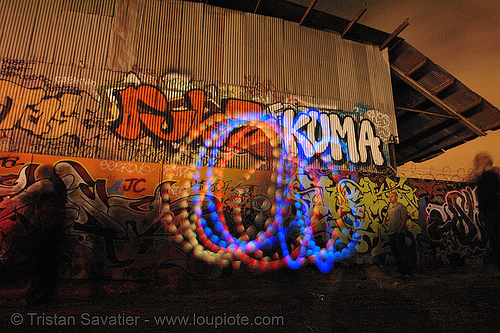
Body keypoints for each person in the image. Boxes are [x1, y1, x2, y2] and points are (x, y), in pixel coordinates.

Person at [473, 152, 500, 267]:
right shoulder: (493, 176)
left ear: (484, 161)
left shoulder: (488, 177)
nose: (475, 163)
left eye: (478, 160)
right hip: (493, 211)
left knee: (495, 237)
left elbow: (487, 197)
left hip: (492, 212)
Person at [384, 191, 412, 278]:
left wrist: (400, 230)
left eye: (392, 196)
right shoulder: (390, 208)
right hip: (391, 232)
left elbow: (404, 218)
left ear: (396, 197)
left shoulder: (401, 207)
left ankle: (408, 272)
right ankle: (401, 272)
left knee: (402, 253)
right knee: (395, 253)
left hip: (398, 233)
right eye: (389, 196)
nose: (390, 198)